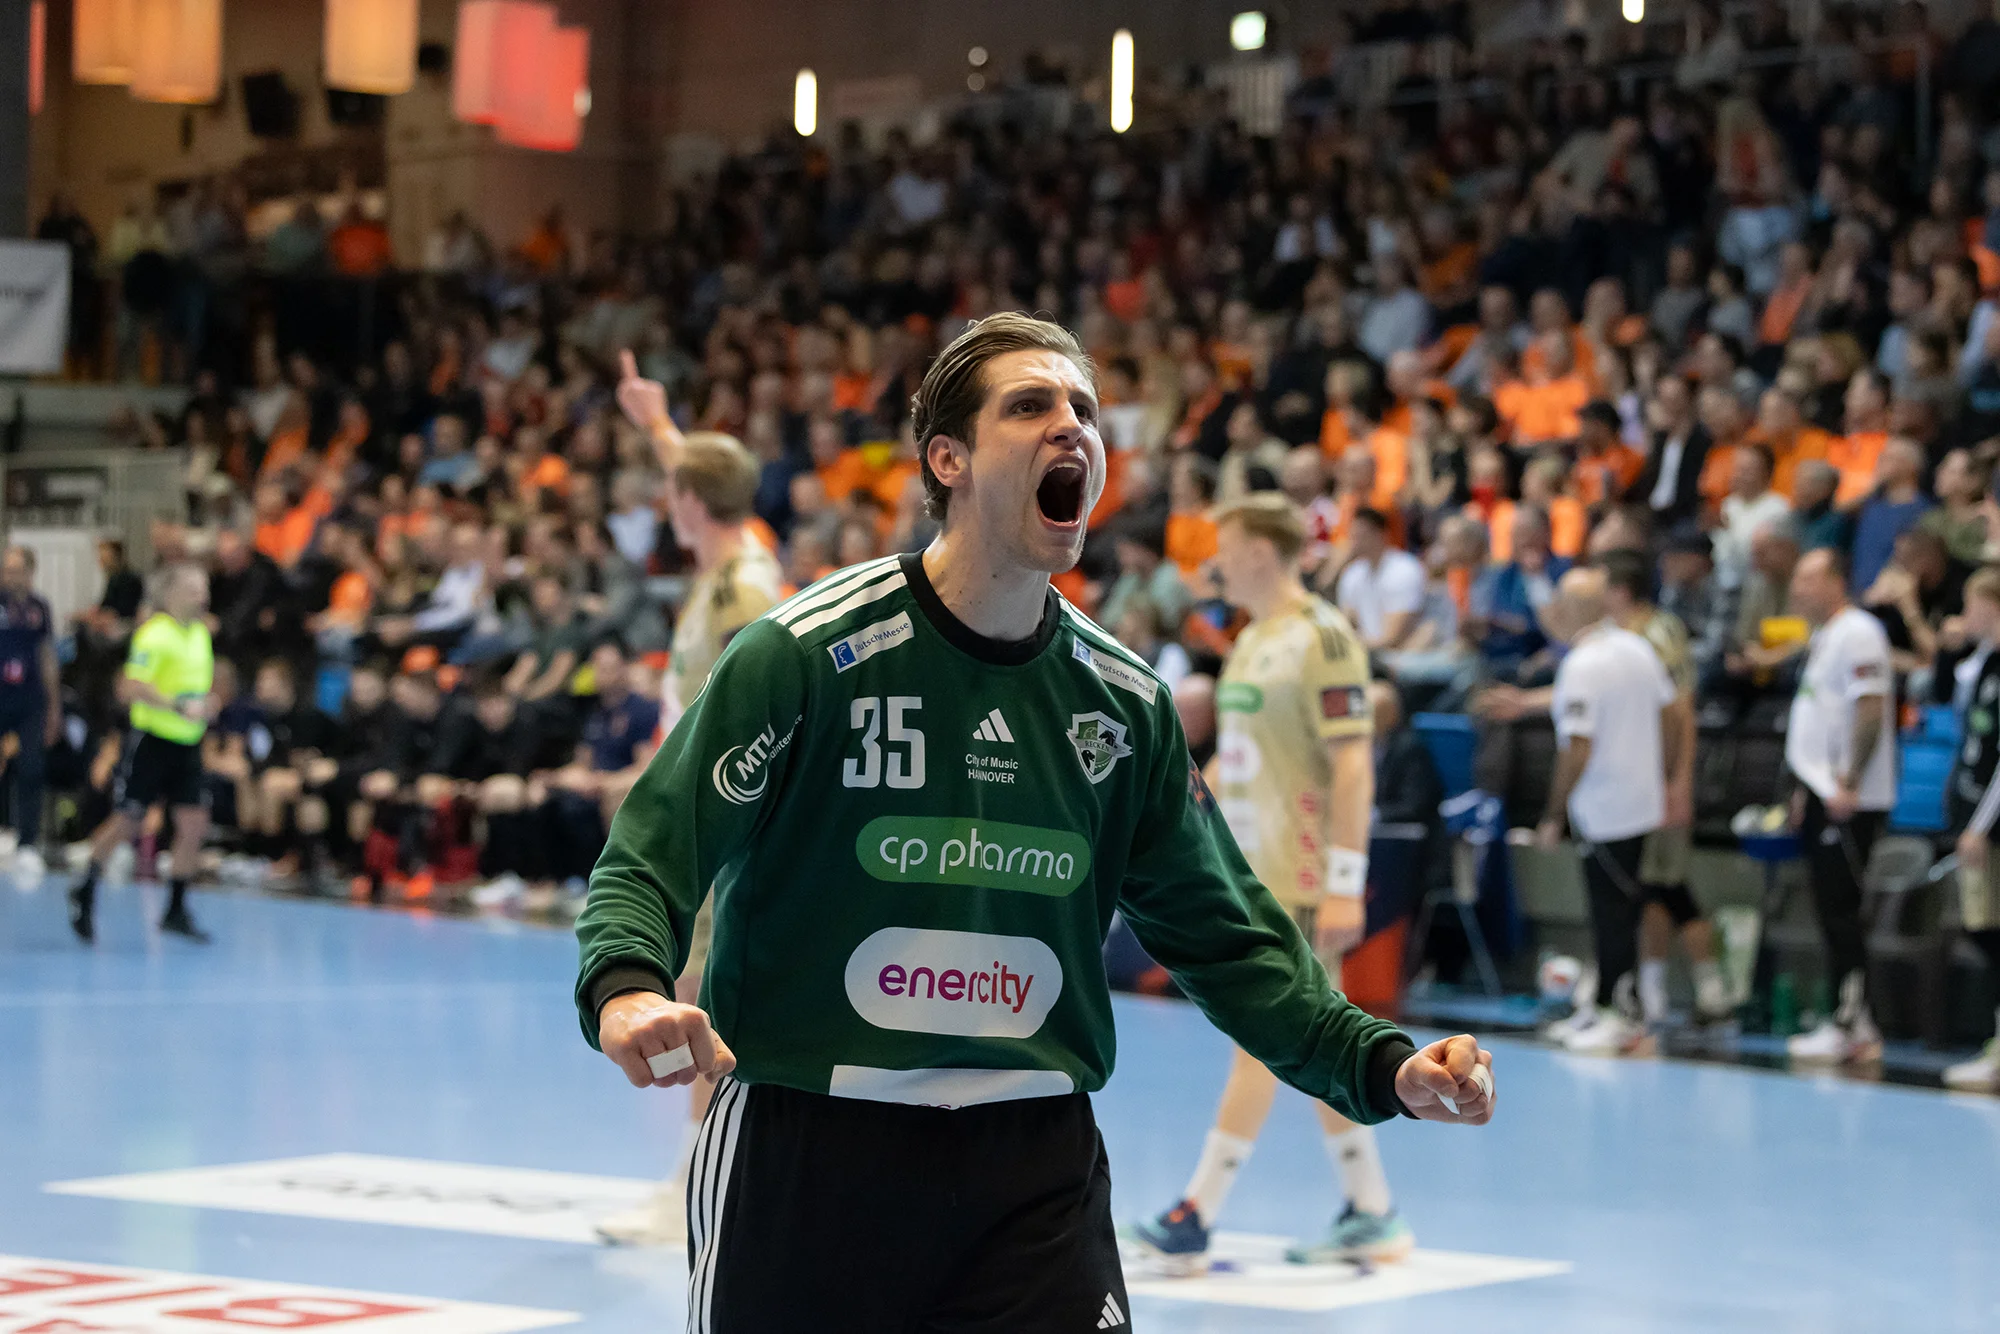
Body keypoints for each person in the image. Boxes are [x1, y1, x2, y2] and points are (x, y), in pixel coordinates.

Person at [575, 314, 1496, 1331]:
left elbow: (1233, 941)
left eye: (1085, 410)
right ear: (949, 459)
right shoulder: (802, 656)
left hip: (1033, 1169)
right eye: (1030, 405)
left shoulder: (1124, 705)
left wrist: (1379, 1063)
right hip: (808, 1155)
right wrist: (626, 987)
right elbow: (650, 853)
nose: (1072, 427)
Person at [1131, 494, 1414, 1271]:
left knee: (1264, 1034)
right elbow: (1236, 763)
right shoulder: (1253, 639)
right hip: (1254, 871)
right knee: (1313, 1037)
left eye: (1224, 546)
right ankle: (1372, 1208)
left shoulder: (1323, 636)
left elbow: (1353, 763)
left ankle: (1197, 1212)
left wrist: (1347, 882)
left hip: (1305, 873)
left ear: (1260, 549)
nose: (1215, 562)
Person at [593, 352, 785, 1248]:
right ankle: (696, 1182)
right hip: (703, 816)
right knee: (697, 989)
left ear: (686, 505)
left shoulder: (744, 591)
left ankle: (692, 1193)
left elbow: (759, 717)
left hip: (724, 826)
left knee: (703, 997)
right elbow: (703, 477)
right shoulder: (731, 553)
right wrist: (657, 422)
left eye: (673, 487)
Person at [1536, 568, 1680, 1055]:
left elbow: (1577, 747)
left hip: (1604, 807)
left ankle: (1621, 1014)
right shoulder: (1638, 649)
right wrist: (1663, 775)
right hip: (1639, 800)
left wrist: (1554, 813)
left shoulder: (1582, 664)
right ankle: (1601, 1005)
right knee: (1615, 910)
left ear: (1572, 609)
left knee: (1612, 912)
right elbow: (1671, 713)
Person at [1596, 549, 1734, 1029]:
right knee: (1651, 886)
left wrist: (1678, 782)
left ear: (1619, 591)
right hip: (1634, 778)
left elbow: (1682, 710)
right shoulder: (1616, 636)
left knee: (1668, 883)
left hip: (1658, 777)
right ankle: (1652, 989)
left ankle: (1712, 989)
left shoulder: (1659, 634)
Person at [1783, 549, 1895, 1065]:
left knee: (1842, 911)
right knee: (1829, 911)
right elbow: (1819, 718)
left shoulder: (1859, 632)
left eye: (1808, 579)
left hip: (1849, 796)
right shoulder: (1827, 636)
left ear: (1836, 581)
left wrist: (1848, 780)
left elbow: (1870, 708)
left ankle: (1855, 1024)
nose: (1797, 589)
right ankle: (1849, 1017)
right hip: (1823, 789)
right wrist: (1806, 786)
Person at [69, 564, 216, 944]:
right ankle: (85, 885)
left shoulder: (200, 633)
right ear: (171, 594)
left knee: (194, 822)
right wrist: (177, 705)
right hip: (152, 741)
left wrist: (207, 704)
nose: (202, 596)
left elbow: (197, 685)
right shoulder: (154, 634)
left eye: (204, 588)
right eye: (193, 588)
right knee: (129, 821)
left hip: (188, 744)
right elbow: (130, 687)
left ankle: (175, 909)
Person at [1943, 568, 2000, 1091]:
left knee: (1992, 931)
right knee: (1981, 928)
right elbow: (1950, 691)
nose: (1966, 615)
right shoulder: (1983, 664)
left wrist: (1980, 826)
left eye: (1974, 604)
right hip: (1971, 810)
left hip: (1991, 825)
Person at [0, 547, 58, 886]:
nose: (10, 576)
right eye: (6, 570)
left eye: (16, 570)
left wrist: (54, 707)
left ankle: (27, 844)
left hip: (30, 699)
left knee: (32, 767)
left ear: (30, 572)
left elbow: (47, 656)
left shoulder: (40, 608)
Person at [1334, 506, 1427, 651]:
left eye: (1360, 536)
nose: (1354, 543)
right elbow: (1345, 622)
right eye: (1353, 536)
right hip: (1367, 650)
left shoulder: (1405, 569)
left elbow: (1392, 637)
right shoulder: (1352, 573)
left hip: (1402, 654)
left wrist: (1354, 647)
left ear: (1379, 534)